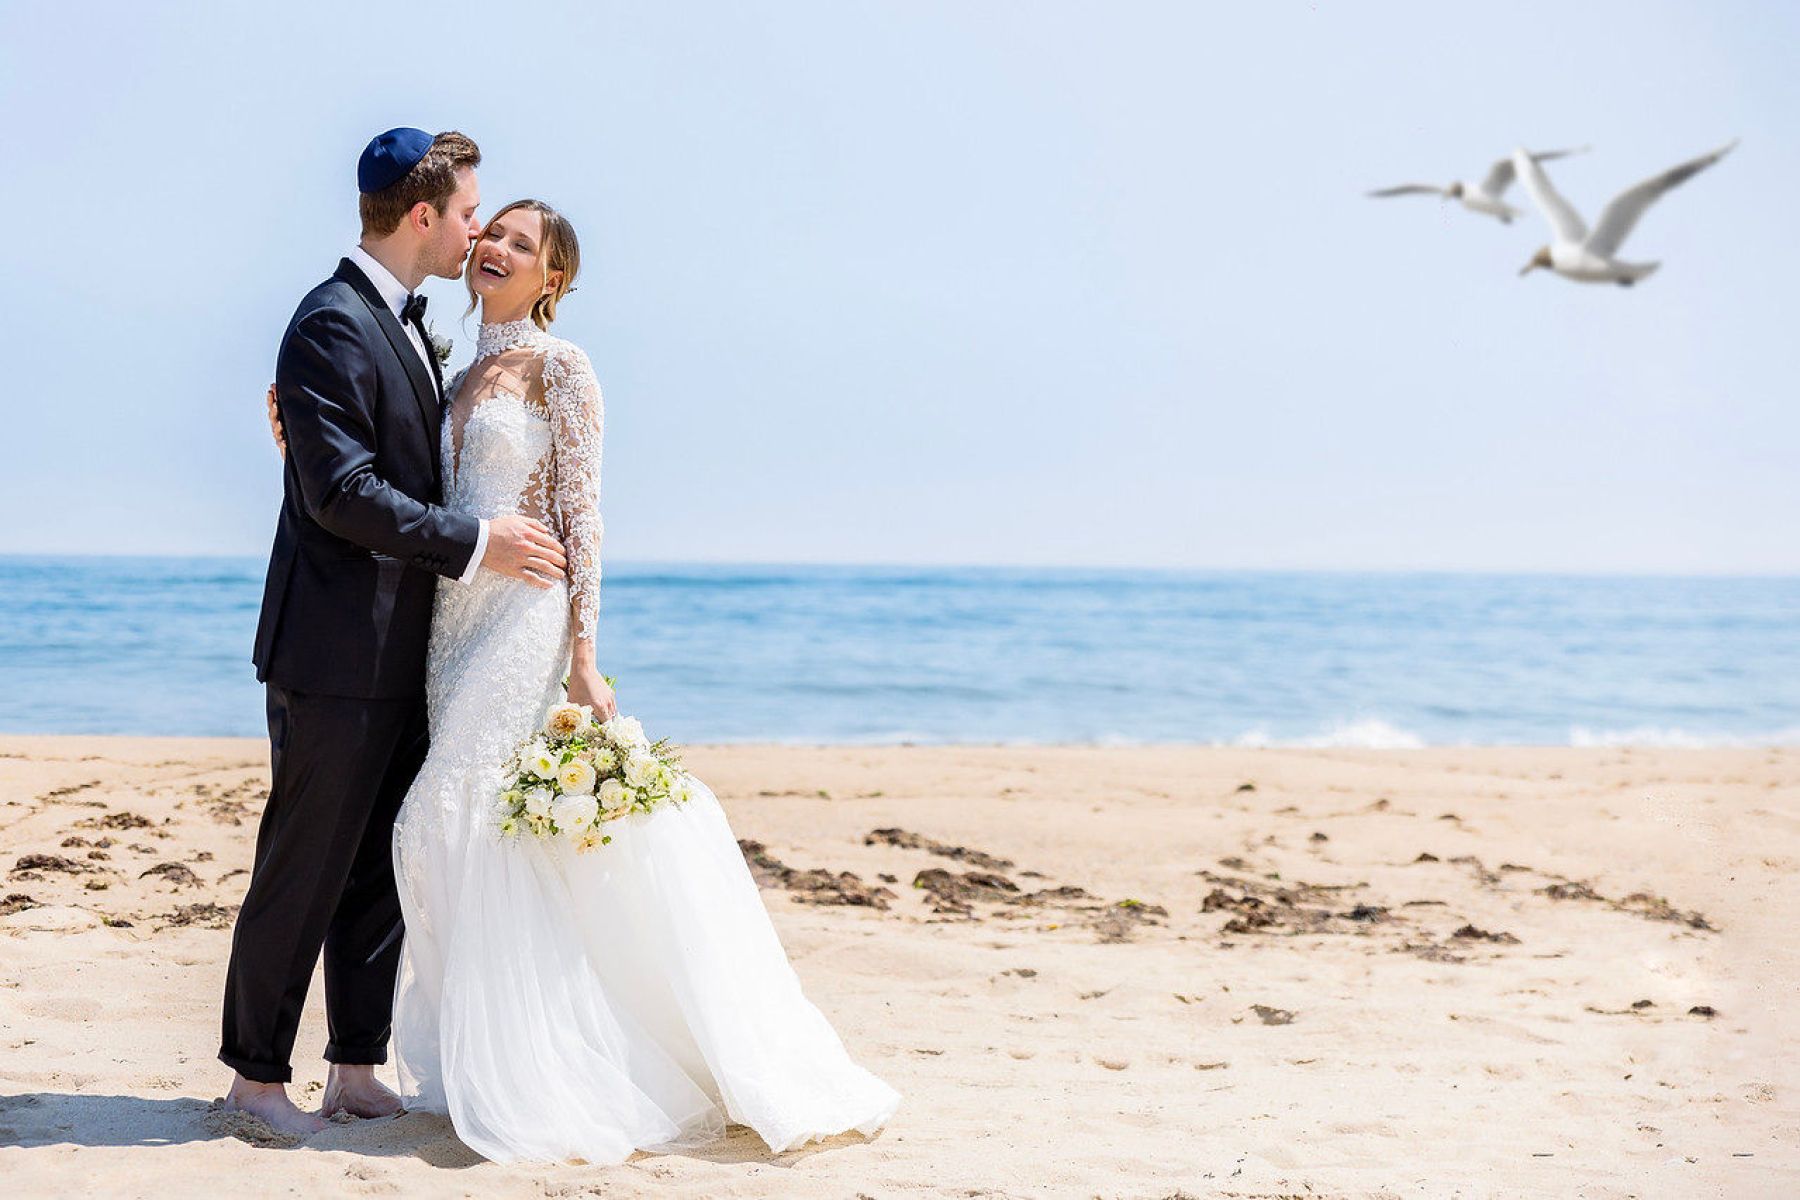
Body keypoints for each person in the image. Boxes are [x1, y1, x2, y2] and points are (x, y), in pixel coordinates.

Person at [385, 197, 901, 1162]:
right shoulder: (450, 369)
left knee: (445, 813)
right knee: (486, 831)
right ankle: (499, 1056)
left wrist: (584, 654)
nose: (494, 247)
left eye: (521, 243)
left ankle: (536, 1067)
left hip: (528, 617)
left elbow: (585, 513)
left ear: (554, 279)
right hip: (452, 625)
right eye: (489, 231)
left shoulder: (563, 367)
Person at [223, 128, 569, 1137]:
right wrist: (480, 541)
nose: (475, 231)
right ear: (423, 215)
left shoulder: (411, 327)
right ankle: (253, 1079)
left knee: (378, 868)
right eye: (469, 213)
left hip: (410, 648)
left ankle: (358, 1069)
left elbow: (404, 461)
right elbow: (343, 494)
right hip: (331, 649)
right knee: (306, 861)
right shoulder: (329, 322)